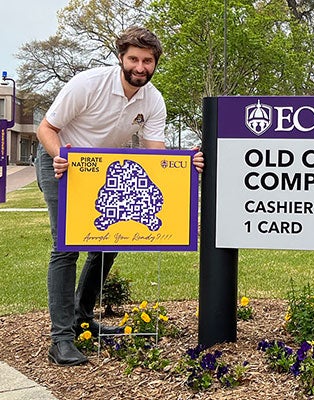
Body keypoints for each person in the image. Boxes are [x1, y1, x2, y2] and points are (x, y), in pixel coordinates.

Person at [35, 26, 204, 366]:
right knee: (66, 246)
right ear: (121, 58)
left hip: (103, 171)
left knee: (111, 239)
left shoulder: (153, 100)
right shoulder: (87, 84)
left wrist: (187, 163)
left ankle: (83, 318)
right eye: (134, 59)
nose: (140, 67)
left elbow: (155, 156)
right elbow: (46, 128)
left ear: (155, 63)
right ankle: (62, 339)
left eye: (148, 61)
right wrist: (60, 156)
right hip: (62, 163)